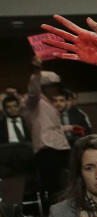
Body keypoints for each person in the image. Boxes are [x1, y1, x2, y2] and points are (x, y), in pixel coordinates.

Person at [21, 62, 71, 201]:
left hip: (60, 146)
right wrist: (37, 71)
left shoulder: (49, 102)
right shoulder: (33, 102)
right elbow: (33, 92)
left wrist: (69, 128)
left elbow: (51, 125)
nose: (55, 89)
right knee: (53, 185)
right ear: (44, 87)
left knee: (67, 181)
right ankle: (55, 213)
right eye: (52, 86)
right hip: (46, 148)